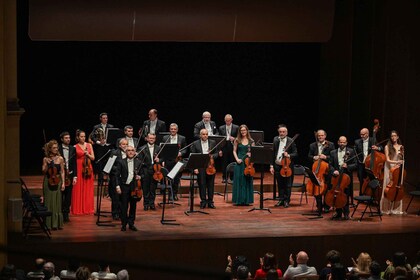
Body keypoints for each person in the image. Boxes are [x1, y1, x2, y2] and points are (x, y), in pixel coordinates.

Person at [114, 145, 142, 231]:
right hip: (124, 187)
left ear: (134, 152)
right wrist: (117, 186)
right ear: (126, 152)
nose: (130, 152)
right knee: (124, 207)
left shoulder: (138, 162)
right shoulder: (121, 162)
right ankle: (123, 224)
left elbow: (143, 174)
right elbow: (116, 175)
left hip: (134, 187)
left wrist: (140, 177)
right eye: (128, 150)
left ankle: (131, 223)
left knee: (133, 206)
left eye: (132, 150)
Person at [328, 136, 357, 220]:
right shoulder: (333, 152)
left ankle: (346, 213)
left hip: (346, 177)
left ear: (346, 143)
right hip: (336, 177)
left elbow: (355, 164)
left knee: (346, 195)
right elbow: (330, 165)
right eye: (340, 142)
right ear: (338, 142)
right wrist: (334, 171)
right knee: (337, 194)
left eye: (344, 142)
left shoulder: (351, 151)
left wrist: (347, 166)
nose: (342, 144)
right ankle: (338, 212)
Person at [307, 129, 335, 214]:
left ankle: (326, 206)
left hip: (326, 169)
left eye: (322, 135)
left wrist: (325, 157)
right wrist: (313, 157)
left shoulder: (330, 145)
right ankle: (319, 206)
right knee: (316, 187)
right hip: (316, 170)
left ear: (325, 136)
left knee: (327, 188)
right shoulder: (312, 145)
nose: (320, 137)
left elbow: (333, 157)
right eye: (319, 135)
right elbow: (309, 156)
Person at [270, 124, 298, 208]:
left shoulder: (291, 141)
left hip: (287, 166)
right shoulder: (275, 139)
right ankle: (281, 200)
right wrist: (271, 165)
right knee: (280, 184)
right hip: (277, 165)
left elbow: (296, 153)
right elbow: (272, 153)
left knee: (288, 185)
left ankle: (287, 201)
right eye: (280, 132)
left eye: (283, 132)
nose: (281, 133)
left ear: (286, 132)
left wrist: (288, 155)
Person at [190, 128, 218, 209]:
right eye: (203, 134)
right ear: (200, 135)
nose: (205, 136)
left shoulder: (213, 142)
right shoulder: (195, 144)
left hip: (211, 166)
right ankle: (203, 201)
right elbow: (193, 156)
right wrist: (195, 168)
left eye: (206, 134)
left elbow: (216, 153)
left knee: (211, 185)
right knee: (202, 184)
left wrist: (213, 156)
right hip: (200, 166)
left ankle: (210, 202)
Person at [42, 139, 65, 230]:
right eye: (54, 148)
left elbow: (62, 172)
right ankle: (48, 223)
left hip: (57, 181)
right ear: (50, 149)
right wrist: (46, 164)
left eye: (56, 147)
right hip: (48, 181)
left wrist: (63, 183)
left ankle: (56, 224)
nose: (56, 149)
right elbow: (43, 172)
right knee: (48, 202)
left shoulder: (60, 158)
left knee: (57, 202)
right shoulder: (45, 159)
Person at [380, 130, 404, 215]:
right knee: (388, 187)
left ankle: (396, 208)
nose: (393, 137)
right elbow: (387, 160)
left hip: (397, 169)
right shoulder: (387, 146)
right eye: (392, 136)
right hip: (389, 168)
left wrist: (400, 164)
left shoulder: (401, 147)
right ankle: (386, 209)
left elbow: (402, 159)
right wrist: (396, 163)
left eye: (395, 136)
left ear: (397, 137)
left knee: (397, 187)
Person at [72, 129, 95, 215]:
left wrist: (87, 154)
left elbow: (93, 158)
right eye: (81, 136)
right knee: (78, 188)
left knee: (88, 188)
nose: (83, 138)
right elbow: (73, 160)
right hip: (78, 167)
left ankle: (88, 208)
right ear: (78, 137)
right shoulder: (74, 147)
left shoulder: (89, 145)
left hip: (88, 167)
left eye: (84, 136)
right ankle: (78, 209)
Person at [161, 123, 188, 200]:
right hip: (168, 161)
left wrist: (181, 153)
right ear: (169, 129)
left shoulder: (182, 138)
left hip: (177, 161)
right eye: (171, 129)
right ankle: (170, 194)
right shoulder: (165, 138)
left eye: (174, 129)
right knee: (169, 178)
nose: (173, 130)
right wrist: (163, 160)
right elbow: (162, 149)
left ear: (177, 130)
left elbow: (185, 149)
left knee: (176, 178)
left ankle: (175, 194)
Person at [354, 128, 383, 195]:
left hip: (371, 164)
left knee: (372, 180)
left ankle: (371, 195)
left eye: (363, 134)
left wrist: (377, 148)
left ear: (367, 134)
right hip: (361, 164)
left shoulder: (373, 140)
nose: (361, 136)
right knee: (361, 180)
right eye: (360, 134)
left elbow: (381, 147)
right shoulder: (357, 142)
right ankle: (361, 195)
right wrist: (358, 163)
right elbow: (355, 153)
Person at [232, 124, 255, 206]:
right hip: (240, 162)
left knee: (247, 181)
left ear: (247, 131)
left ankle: (247, 200)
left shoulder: (251, 141)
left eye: (244, 130)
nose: (243, 132)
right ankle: (239, 200)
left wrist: (251, 154)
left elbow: (254, 152)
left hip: (248, 163)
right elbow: (234, 151)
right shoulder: (237, 140)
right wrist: (237, 159)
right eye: (241, 130)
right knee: (239, 180)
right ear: (239, 131)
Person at [138, 133, 161, 211]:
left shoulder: (158, 148)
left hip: (155, 171)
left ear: (155, 139)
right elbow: (139, 161)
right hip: (145, 170)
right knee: (145, 189)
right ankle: (146, 204)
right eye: (150, 138)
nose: (151, 139)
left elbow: (162, 158)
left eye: (153, 138)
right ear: (147, 139)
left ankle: (152, 204)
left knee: (153, 189)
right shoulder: (142, 148)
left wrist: (159, 160)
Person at [59, 131, 78, 223]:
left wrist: (75, 176)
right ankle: (59, 214)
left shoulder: (72, 149)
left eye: (69, 138)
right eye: (66, 138)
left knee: (68, 195)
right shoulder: (58, 148)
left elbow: (74, 163)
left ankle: (66, 214)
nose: (68, 139)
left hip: (69, 175)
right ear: (62, 139)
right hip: (60, 175)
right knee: (60, 195)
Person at [108, 138, 129, 220]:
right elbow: (110, 165)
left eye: (126, 144)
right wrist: (119, 169)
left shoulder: (129, 152)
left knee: (124, 197)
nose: (125, 146)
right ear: (120, 145)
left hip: (125, 178)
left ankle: (122, 213)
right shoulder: (114, 152)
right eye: (123, 144)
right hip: (116, 177)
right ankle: (115, 213)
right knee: (116, 196)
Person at [218, 114, 239, 183]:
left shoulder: (236, 127)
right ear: (224, 120)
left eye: (229, 120)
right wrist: (220, 150)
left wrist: (234, 138)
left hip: (233, 147)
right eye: (226, 121)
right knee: (224, 163)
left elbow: (239, 138)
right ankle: (224, 177)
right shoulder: (221, 128)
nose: (228, 122)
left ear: (231, 120)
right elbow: (219, 140)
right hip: (224, 147)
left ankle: (232, 177)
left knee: (232, 162)